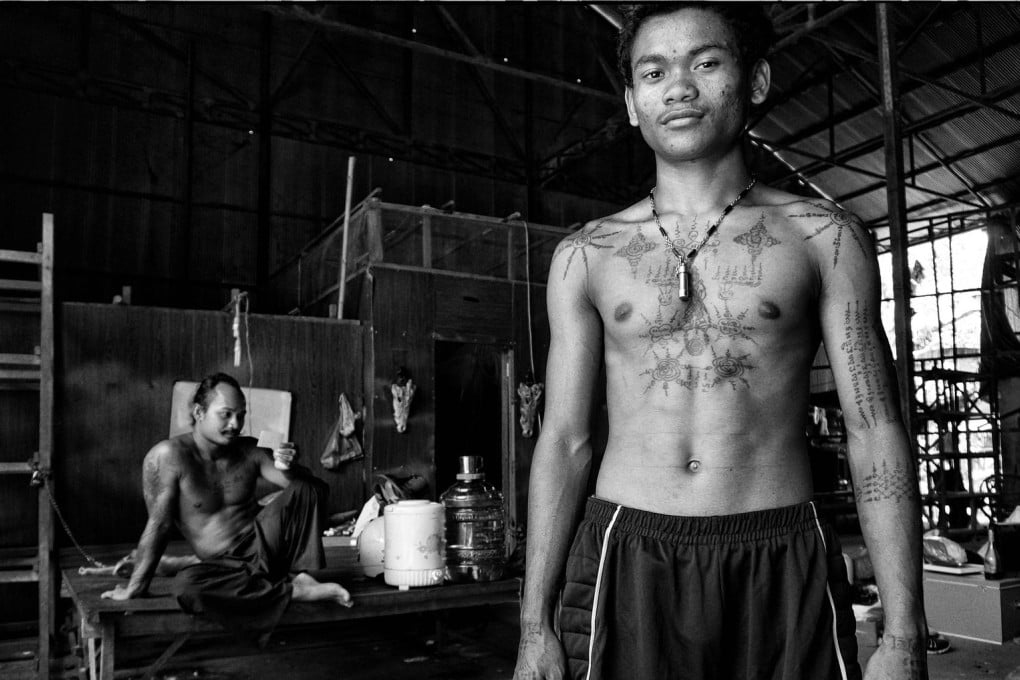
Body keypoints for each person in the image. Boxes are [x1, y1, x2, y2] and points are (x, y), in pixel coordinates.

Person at [513, 4, 926, 680]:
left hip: (781, 551)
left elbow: (875, 428)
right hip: (628, 551)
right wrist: (534, 628)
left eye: (705, 63)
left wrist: (904, 635)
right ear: (630, 103)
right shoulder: (585, 255)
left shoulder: (825, 237)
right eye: (654, 71)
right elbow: (563, 439)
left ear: (755, 80)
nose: (678, 87)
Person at [101, 372, 351, 643]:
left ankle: (295, 576)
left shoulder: (250, 450)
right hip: (221, 566)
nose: (236, 424)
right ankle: (295, 589)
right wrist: (135, 588)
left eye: (241, 415)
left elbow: (312, 492)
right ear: (199, 412)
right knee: (187, 587)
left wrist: (288, 468)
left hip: (266, 551)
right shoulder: (168, 456)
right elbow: (159, 525)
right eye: (226, 414)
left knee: (306, 486)